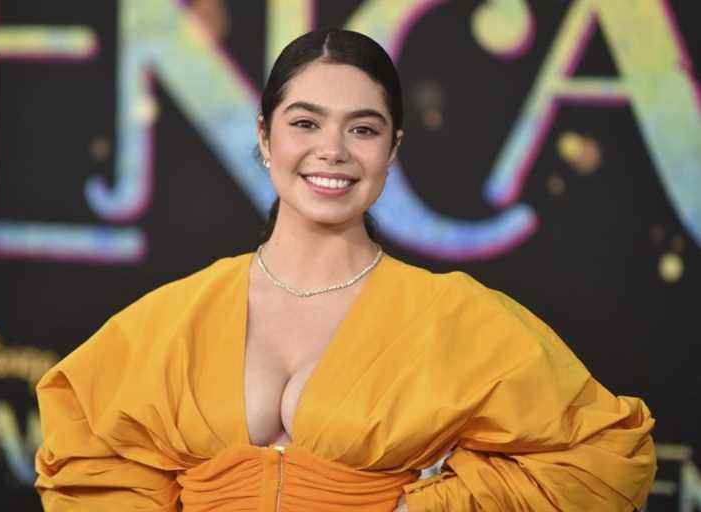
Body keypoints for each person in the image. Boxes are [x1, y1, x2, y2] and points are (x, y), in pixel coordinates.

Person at [34, 28, 656, 511]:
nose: (331, 150)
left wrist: (421, 506)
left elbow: (605, 454)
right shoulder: (178, 314)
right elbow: (88, 455)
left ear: (393, 150)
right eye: (304, 123)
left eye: (362, 129)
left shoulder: (452, 317)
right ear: (265, 136)